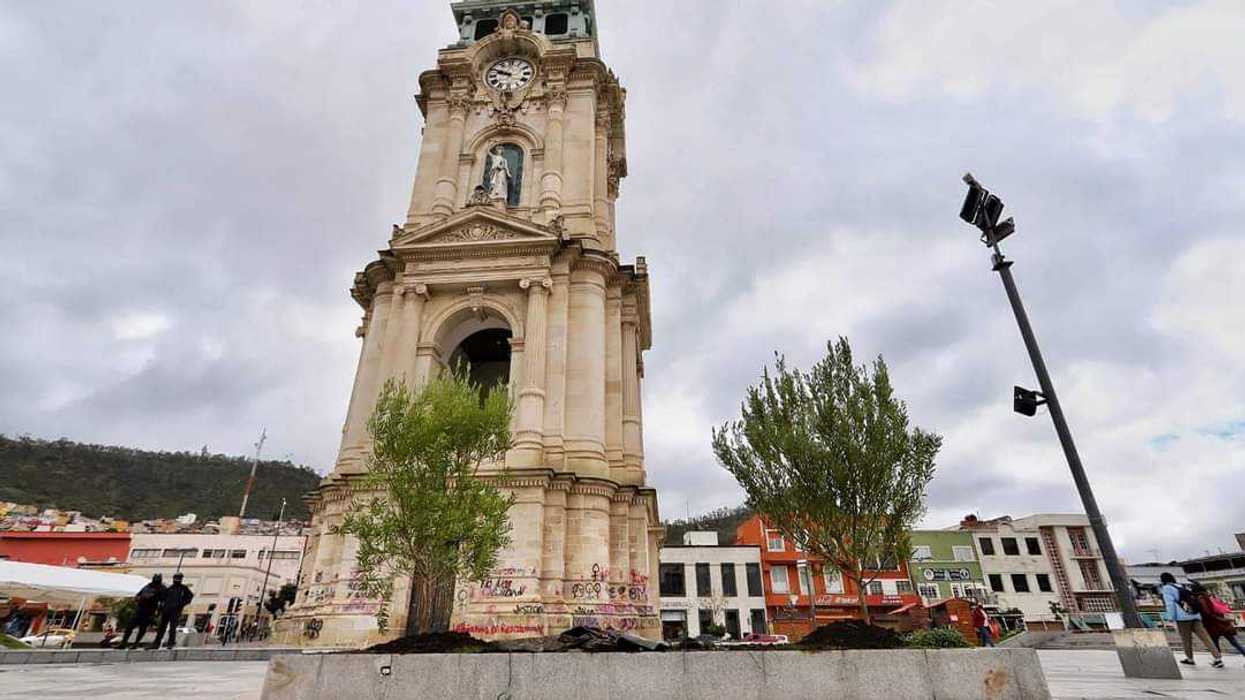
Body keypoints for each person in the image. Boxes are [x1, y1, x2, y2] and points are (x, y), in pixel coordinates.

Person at [1160, 572, 1223, 667]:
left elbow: (1170, 604)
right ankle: (1217, 658)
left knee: (1186, 639)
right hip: (1195, 615)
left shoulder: (1167, 588)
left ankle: (1190, 659)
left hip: (1182, 618)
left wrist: (1170, 618)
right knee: (1206, 638)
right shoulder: (1182, 586)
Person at [1192, 582, 1245, 665]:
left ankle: (1218, 660)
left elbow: (1208, 612)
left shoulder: (1201, 598)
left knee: (1215, 643)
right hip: (1222, 622)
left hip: (1213, 624)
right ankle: (1218, 660)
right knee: (1233, 642)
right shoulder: (1210, 596)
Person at [150, 572, 194, 650]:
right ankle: (156, 643)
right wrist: (161, 608)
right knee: (162, 627)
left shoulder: (183, 588)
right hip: (166, 610)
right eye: (176, 578)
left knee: (172, 627)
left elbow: (189, 597)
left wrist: (180, 604)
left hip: (175, 611)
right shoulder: (170, 588)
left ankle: (171, 643)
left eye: (178, 578)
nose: (177, 580)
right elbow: (163, 599)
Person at [120, 574, 165, 649]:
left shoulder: (162, 588)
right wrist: (137, 599)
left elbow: (162, 601)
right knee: (129, 627)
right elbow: (138, 594)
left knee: (142, 628)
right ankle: (123, 643)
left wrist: (158, 612)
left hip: (149, 611)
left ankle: (135, 644)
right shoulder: (147, 586)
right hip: (140, 609)